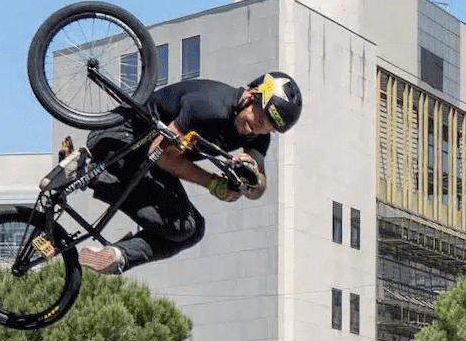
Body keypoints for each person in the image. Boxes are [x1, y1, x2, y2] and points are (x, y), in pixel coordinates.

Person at [76, 71, 303, 274]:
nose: (258, 128)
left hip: (147, 159)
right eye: (259, 118)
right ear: (252, 95)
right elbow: (161, 153)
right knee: (183, 225)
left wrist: (251, 178)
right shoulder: (212, 107)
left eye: (268, 127)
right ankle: (89, 170)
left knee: (193, 230)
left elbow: (259, 187)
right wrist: (211, 182)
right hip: (119, 141)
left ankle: (119, 256)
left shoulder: (258, 136)